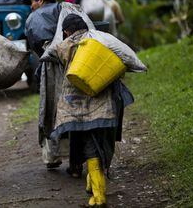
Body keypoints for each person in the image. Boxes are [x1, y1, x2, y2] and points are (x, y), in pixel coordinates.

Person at [52, 14, 134, 207]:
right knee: (103, 141)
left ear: (66, 32)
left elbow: (55, 55)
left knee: (88, 145)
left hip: (76, 106)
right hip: (104, 103)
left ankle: (99, 196)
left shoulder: (63, 46)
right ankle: (93, 183)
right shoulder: (100, 40)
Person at [22, 0, 66, 169]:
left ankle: (52, 157)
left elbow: (33, 45)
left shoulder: (33, 17)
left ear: (40, 0)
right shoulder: (65, 9)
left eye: (32, 1)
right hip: (73, 61)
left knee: (49, 109)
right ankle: (78, 157)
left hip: (50, 66)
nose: (31, 6)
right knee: (73, 105)